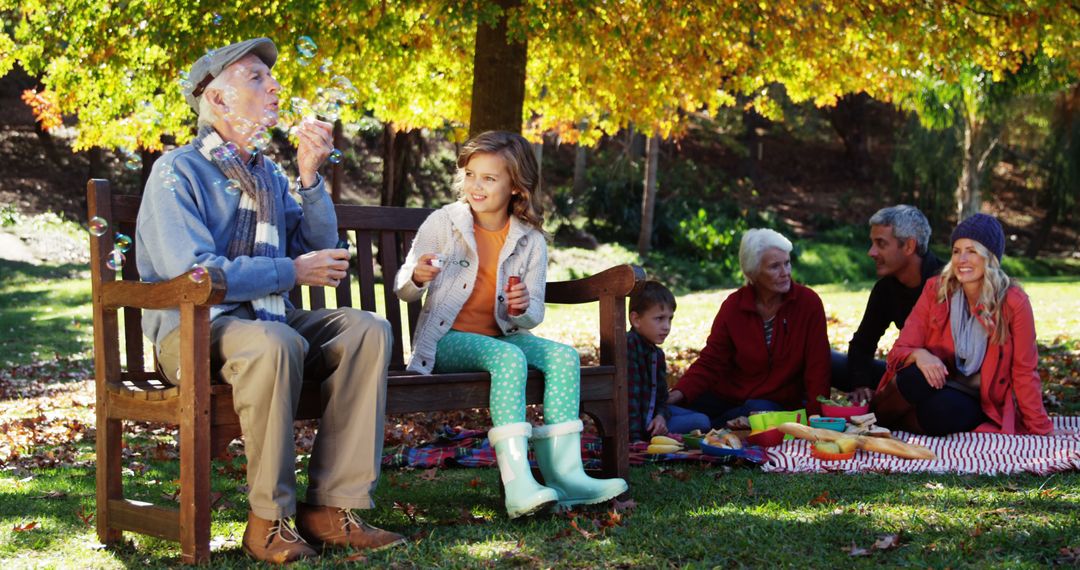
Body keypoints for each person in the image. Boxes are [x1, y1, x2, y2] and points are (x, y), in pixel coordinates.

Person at [136, 38, 403, 564]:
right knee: (276, 341)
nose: (274, 85)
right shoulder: (177, 171)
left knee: (367, 328)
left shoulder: (268, 175)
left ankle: (332, 508)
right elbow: (196, 275)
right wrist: (289, 270)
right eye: (256, 77)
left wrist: (308, 177)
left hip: (266, 320)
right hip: (193, 328)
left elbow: (315, 247)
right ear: (216, 99)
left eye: (270, 77)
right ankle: (269, 520)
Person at [394, 131, 627, 518]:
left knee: (564, 357)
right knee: (507, 359)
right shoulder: (444, 223)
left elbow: (533, 314)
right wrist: (418, 276)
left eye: (489, 178)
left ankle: (566, 476)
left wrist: (521, 308)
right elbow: (405, 289)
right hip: (448, 341)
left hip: (505, 337)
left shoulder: (530, 239)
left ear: (516, 187)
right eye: (471, 175)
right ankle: (518, 483)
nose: (476, 186)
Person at [871, 214, 1063, 436]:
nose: (961, 259)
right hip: (939, 379)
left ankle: (890, 423)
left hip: (977, 398)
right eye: (956, 251)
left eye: (972, 251)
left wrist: (1041, 428)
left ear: (989, 257)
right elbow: (898, 352)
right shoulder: (937, 289)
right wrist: (920, 355)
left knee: (940, 411)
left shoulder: (1013, 303)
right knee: (915, 376)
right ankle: (873, 421)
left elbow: (1024, 371)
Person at [668, 229, 830, 427]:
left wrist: (816, 420)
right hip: (728, 396)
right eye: (774, 267)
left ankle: (709, 427)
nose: (785, 273)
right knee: (681, 407)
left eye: (787, 263)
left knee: (755, 411)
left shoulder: (808, 303)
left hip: (774, 404)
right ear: (753, 272)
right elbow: (711, 361)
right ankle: (709, 425)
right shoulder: (734, 306)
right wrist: (677, 394)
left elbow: (818, 366)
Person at [832, 205, 945, 402]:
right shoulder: (885, 289)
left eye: (881, 244)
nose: (871, 252)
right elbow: (862, 344)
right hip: (906, 369)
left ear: (909, 246)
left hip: (943, 380)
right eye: (872, 243)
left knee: (915, 382)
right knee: (829, 361)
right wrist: (861, 385)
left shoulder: (948, 283)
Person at [626, 281, 710, 441]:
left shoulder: (657, 354)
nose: (666, 326)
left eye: (670, 319)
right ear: (636, 319)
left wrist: (661, 417)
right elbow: (630, 400)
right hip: (637, 425)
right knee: (701, 422)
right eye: (659, 319)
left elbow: (662, 397)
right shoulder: (629, 346)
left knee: (702, 419)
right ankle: (652, 435)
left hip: (652, 416)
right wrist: (635, 440)